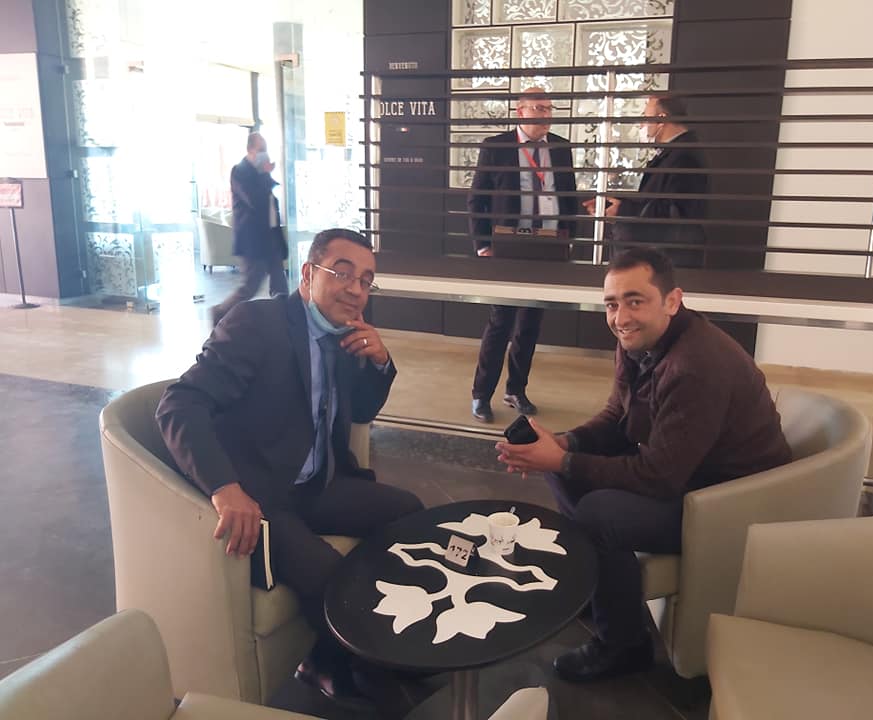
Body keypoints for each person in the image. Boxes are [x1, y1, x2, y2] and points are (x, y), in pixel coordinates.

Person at [495, 247, 791, 682]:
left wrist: (564, 458)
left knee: (598, 515)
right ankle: (603, 589)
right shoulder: (639, 341)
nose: (621, 318)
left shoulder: (695, 365)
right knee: (562, 471)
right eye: (612, 304)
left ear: (672, 300)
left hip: (728, 501)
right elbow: (617, 415)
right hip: (688, 472)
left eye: (635, 301)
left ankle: (624, 647)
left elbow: (659, 476)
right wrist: (564, 444)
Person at [157, 228, 423, 706]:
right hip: (263, 497)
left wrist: (380, 362)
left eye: (366, 281)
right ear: (307, 274)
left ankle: (385, 633)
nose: (355, 289)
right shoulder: (257, 324)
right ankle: (337, 662)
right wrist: (224, 487)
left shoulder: (346, 334)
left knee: (409, 512)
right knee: (327, 572)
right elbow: (180, 404)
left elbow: (362, 411)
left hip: (317, 483)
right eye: (342, 273)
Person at [467, 87, 578, 423]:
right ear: (521, 112)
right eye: (538, 108)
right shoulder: (496, 147)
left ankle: (516, 389)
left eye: (549, 108)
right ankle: (481, 395)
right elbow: (477, 199)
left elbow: (568, 196)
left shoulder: (560, 148)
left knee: (531, 322)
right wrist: (483, 245)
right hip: (508, 247)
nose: (546, 115)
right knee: (500, 322)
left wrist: (569, 239)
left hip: (547, 246)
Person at [585, 95, 708, 267]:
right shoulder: (671, 155)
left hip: (670, 263)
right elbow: (655, 203)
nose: (641, 125)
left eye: (645, 117)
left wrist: (623, 210)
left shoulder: (684, 158)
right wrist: (618, 206)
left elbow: (676, 214)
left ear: (661, 119)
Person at [211, 132, 288, 326]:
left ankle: (284, 318)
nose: (264, 154)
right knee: (250, 286)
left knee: (279, 282)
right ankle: (220, 312)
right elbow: (254, 200)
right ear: (250, 150)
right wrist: (264, 174)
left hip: (270, 238)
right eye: (261, 150)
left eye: (265, 149)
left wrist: (266, 174)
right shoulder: (240, 171)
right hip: (252, 241)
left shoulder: (260, 173)